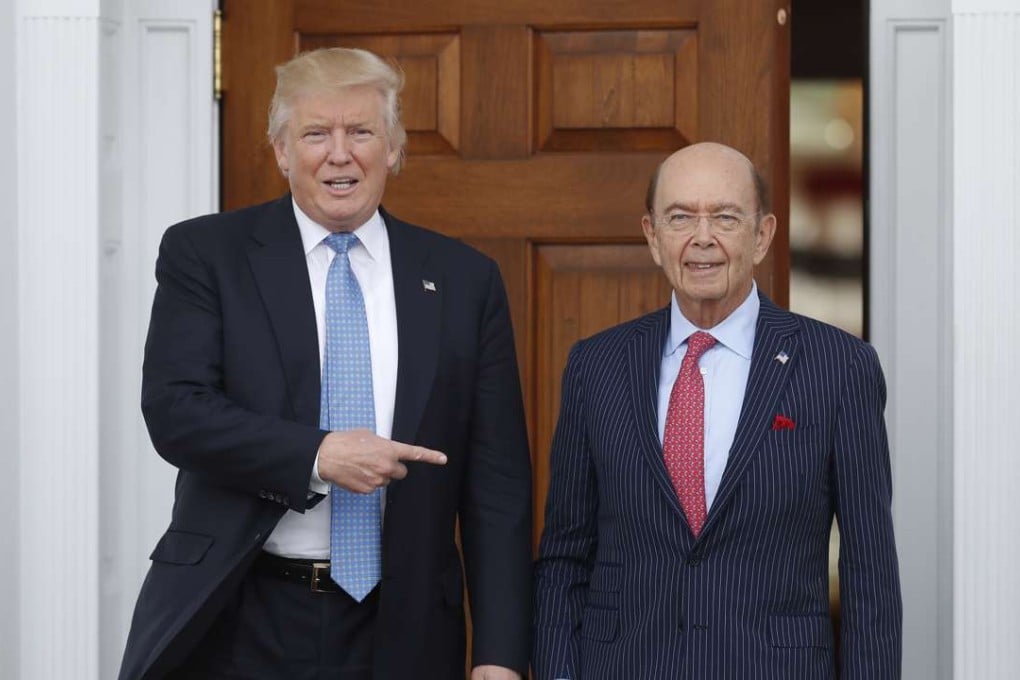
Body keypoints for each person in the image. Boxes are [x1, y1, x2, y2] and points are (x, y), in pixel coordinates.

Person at [119, 47, 532, 680]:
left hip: (406, 627)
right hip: (244, 617)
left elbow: (496, 486)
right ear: (282, 150)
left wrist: (500, 657)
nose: (340, 154)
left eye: (361, 132)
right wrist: (317, 456)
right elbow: (176, 411)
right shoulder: (207, 254)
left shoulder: (463, 279)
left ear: (392, 148)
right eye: (316, 133)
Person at [533, 142, 901, 679]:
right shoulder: (596, 366)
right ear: (652, 236)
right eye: (680, 217)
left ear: (763, 236)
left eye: (725, 217)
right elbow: (566, 554)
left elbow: (869, 571)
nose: (701, 238)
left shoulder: (838, 366)